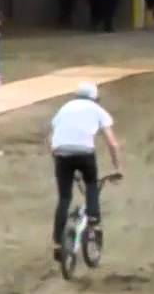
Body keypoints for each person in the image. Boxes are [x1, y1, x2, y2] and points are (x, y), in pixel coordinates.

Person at [49, 82, 123, 262]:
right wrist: (118, 168)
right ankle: (93, 220)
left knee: (64, 198)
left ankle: (57, 243)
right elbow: (112, 143)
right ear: (95, 98)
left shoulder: (65, 108)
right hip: (84, 153)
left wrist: (58, 161)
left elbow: (52, 139)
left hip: (61, 153)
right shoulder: (97, 109)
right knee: (91, 183)